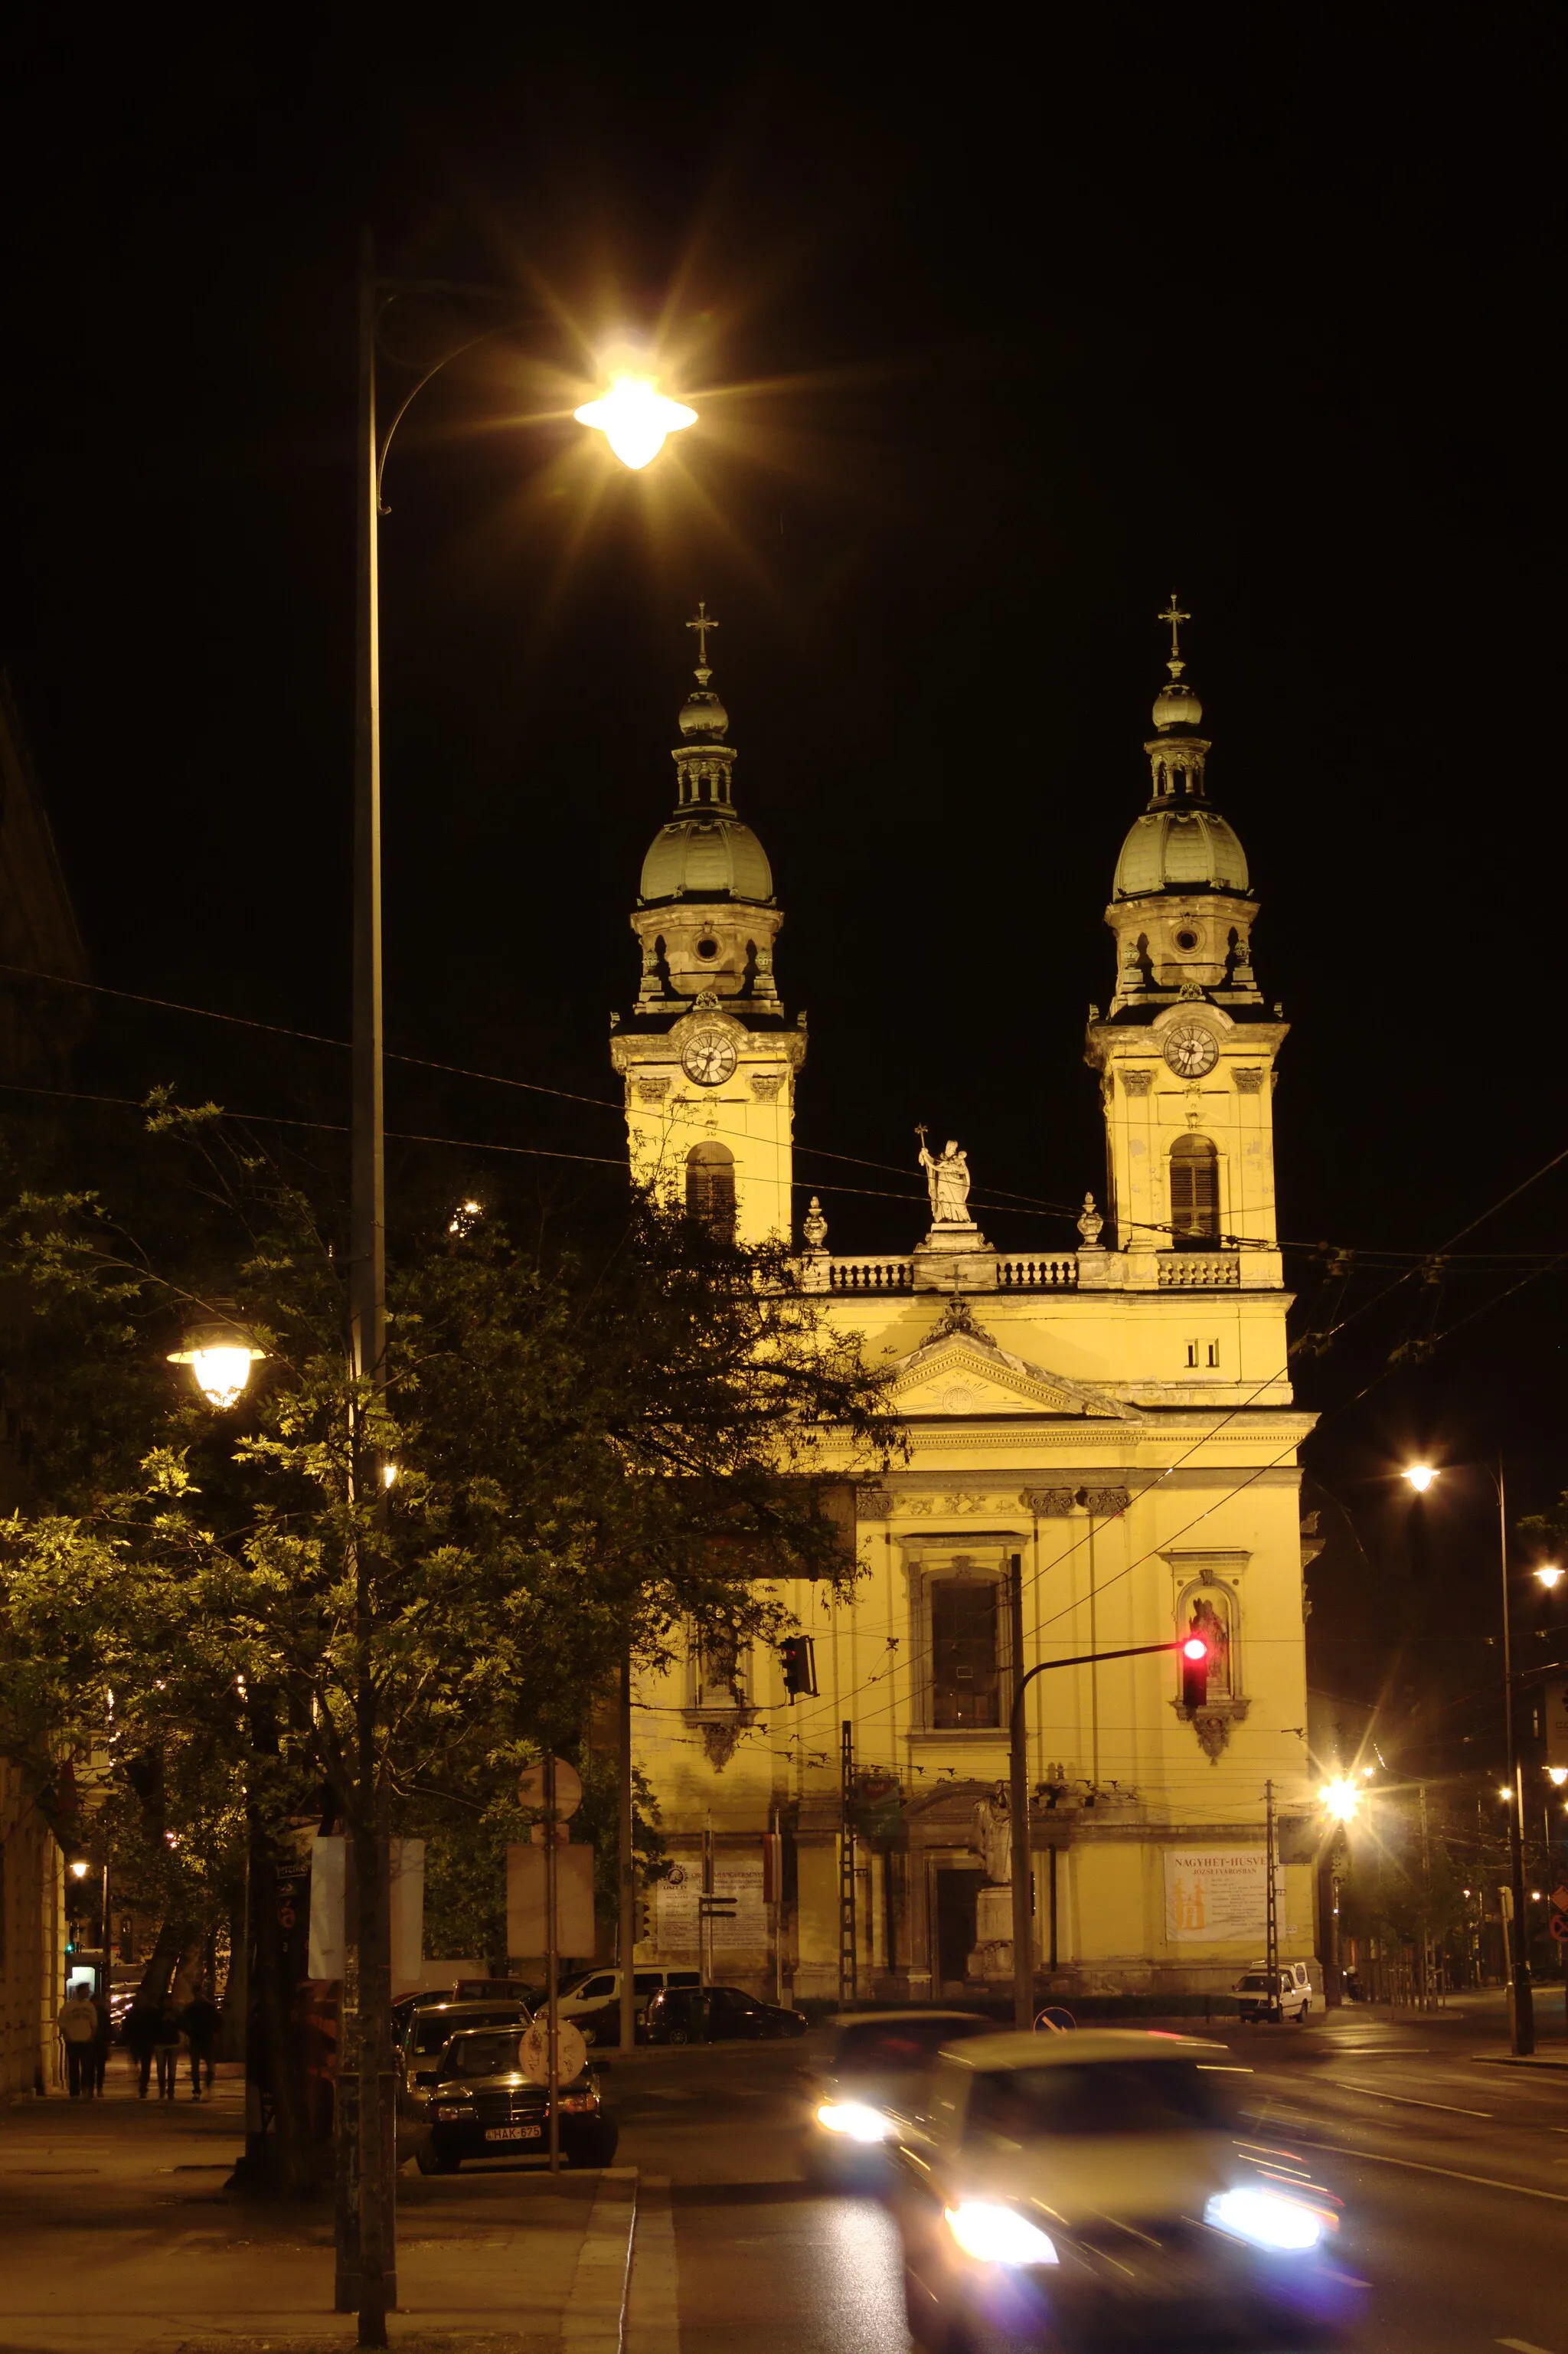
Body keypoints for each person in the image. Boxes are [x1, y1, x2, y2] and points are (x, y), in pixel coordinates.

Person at [57, 1985, 99, 2099]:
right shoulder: (69, 2006)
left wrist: (92, 2036)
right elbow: (62, 2023)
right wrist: (67, 2036)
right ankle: (74, 2091)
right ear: (80, 1991)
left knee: (87, 2066)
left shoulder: (90, 2006)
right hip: (73, 2040)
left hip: (86, 2040)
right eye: (86, 1990)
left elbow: (94, 2023)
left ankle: (85, 2088)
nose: (88, 1992)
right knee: (73, 2067)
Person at [183, 1988, 220, 2099]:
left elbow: (217, 2021)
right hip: (199, 2038)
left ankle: (201, 2088)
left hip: (203, 2038)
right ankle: (199, 2089)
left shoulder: (201, 2007)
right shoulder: (194, 2008)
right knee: (200, 2066)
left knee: (203, 2066)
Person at [124, 1997, 158, 2097]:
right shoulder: (145, 2013)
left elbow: (127, 2028)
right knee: (145, 2065)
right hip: (142, 2042)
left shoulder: (134, 2014)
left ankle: (143, 2085)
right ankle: (143, 2085)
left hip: (141, 2042)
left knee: (142, 2064)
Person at [152, 1999, 183, 2100]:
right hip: (160, 2044)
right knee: (161, 2068)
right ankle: (162, 2089)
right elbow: (153, 2027)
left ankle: (170, 2090)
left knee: (172, 2069)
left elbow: (181, 2025)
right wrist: (163, 2020)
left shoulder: (175, 2013)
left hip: (172, 2043)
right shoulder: (157, 2014)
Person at [90, 1986, 113, 2096]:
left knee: (96, 2067)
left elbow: (107, 2028)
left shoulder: (102, 2012)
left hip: (98, 2042)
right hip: (94, 2042)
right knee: (94, 2067)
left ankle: (96, 2088)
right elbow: (108, 2028)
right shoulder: (94, 2012)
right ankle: (95, 2089)